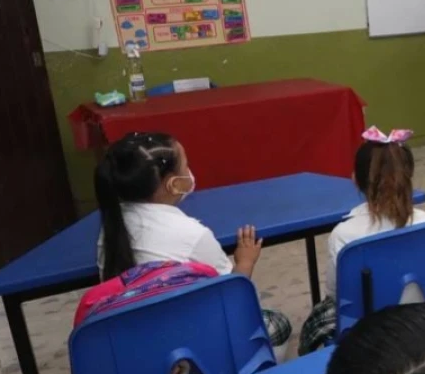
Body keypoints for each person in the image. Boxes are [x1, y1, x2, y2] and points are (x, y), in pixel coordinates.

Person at [94, 131, 290, 347]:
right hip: (194, 342)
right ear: (173, 184)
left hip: (133, 343)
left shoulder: (111, 229)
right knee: (278, 324)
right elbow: (233, 296)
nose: (189, 171)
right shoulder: (193, 235)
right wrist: (245, 262)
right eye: (186, 166)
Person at [299, 129, 425, 355]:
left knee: (318, 318)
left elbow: (337, 295)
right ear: (408, 175)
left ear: (355, 179)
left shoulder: (344, 235)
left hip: (369, 341)